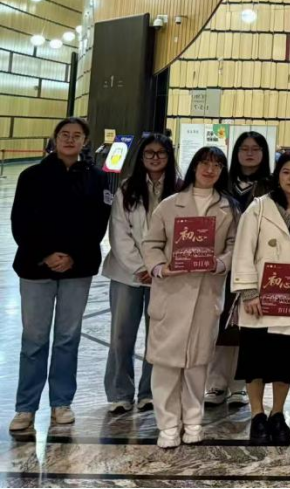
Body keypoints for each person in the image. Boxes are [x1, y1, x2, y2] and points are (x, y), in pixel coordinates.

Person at [9, 117, 113, 435]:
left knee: (68, 338)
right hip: (35, 268)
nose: (70, 140)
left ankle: (61, 402)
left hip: (76, 270)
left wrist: (72, 257)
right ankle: (26, 407)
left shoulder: (98, 179)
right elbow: (20, 222)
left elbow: (98, 223)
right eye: (64, 134)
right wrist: (46, 254)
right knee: (34, 339)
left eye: (76, 135)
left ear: (85, 141)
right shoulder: (31, 176)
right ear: (55, 139)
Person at [142, 146, 239, 449]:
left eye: (217, 165)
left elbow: (235, 246)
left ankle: (194, 421)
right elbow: (151, 243)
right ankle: (168, 425)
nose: (210, 170)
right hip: (171, 293)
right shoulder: (170, 205)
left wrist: (220, 263)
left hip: (206, 294)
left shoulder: (229, 209)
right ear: (194, 166)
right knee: (166, 365)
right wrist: (160, 267)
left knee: (198, 364)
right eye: (205, 164)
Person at [232, 150, 290, 446]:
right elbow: (243, 249)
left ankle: (276, 413)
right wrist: (248, 291)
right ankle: (257, 415)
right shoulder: (260, 207)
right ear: (277, 175)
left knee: (285, 361)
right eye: (286, 172)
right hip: (260, 298)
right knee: (255, 360)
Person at [102, 133, 181, 416]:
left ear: (169, 156)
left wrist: (158, 266)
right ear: (141, 157)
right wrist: (140, 267)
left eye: (161, 153)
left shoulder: (181, 189)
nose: (155, 158)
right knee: (121, 335)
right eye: (149, 153)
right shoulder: (127, 188)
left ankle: (149, 392)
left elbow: (181, 234)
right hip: (128, 275)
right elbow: (119, 233)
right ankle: (120, 392)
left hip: (164, 275)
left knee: (156, 336)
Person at [206, 132, 272, 409]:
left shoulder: (270, 185)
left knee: (248, 325)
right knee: (220, 323)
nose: (249, 153)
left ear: (263, 153)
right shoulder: (223, 183)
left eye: (256, 149)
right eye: (244, 148)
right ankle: (216, 383)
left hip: (256, 264)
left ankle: (240, 386)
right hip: (221, 261)